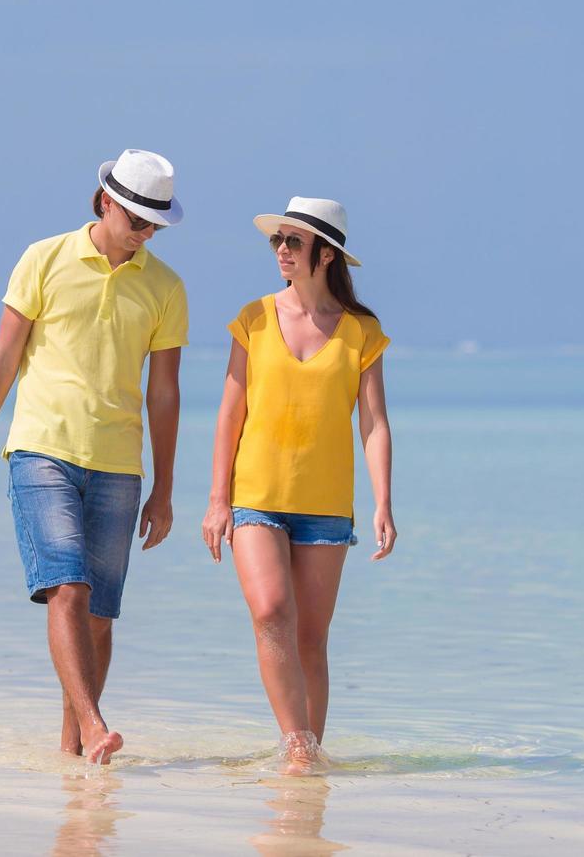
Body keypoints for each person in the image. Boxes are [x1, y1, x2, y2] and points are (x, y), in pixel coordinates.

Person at [0, 148, 188, 765]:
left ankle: (72, 753)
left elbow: (164, 395)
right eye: (136, 220)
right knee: (68, 589)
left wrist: (165, 488)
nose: (144, 234)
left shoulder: (165, 287)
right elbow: (3, 359)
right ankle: (93, 722)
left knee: (100, 616)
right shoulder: (44, 258)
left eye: (153, 225)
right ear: (105, 202)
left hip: (119, 464)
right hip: (41, 451)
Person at [202, 196, 397, 774]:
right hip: (255, 496)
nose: (281, 251)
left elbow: (375, 422)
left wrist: (383, 502)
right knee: (270, 612)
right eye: (277, 241)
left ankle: (308, 755)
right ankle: (294, 742)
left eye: (293, 241)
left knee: (311, 637)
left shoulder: (362, 331)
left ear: (325, 253)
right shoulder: (254, 318)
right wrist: (217, 500)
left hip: (326, 507)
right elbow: (229, 414)